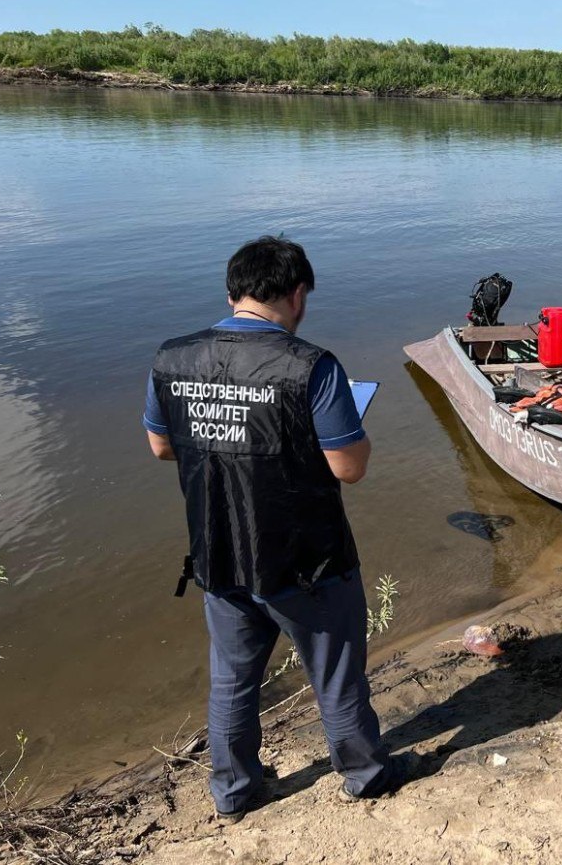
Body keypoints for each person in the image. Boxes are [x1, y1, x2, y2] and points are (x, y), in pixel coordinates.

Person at [143, 235, 407, 821]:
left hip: (218, 555)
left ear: (232, 292)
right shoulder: (310, 366)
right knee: (336, 677)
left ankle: (234, 792)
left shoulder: (171, 357)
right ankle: (365, 775)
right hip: (306, 563)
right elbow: (350, 467)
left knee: (232, 682)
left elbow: (161, 446)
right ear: (296, 295)